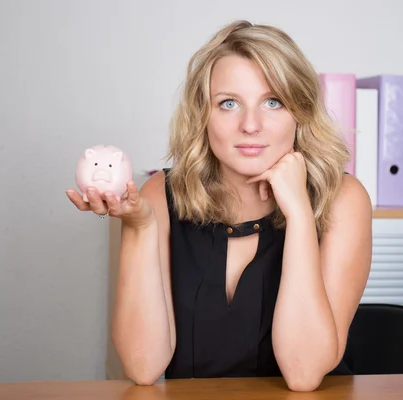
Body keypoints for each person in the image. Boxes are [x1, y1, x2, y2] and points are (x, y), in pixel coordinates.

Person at [66, 20, 372, 392]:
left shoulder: (343, 199)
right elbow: (143, 365)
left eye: (273, 102)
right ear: (202, 115)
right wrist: (139, 227)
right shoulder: (160, 194)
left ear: (300, 112)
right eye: (228, 104)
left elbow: (304, 374)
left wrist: (300, 215)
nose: (251, 125)